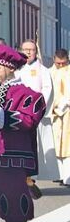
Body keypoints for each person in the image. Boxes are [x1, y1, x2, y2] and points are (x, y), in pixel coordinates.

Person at [0, 40, 45, 222]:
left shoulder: (26, 93)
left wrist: (4, 116)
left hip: (13, 152)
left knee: (13, 193)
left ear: (9, 69)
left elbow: (30, 118)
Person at [16, 39, 59, 183]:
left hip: (36, 112)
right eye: (25, 49)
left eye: (31, 49)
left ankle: (33, 176)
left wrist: (40, 106)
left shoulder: (43, 70)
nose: (28, 52)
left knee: (38, 146)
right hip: (19, 112)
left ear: (36, 52)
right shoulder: (16, 68)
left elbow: (47, 89)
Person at [49, 48, 70, 185]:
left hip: (68, 110)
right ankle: (59, 174)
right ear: (53, 60)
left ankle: (68, 176)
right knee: (56, 143)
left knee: (67, 144)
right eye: (58, 63)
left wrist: (66, 102)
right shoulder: (49, 72)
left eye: (64, 63)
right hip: (54, 111)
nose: (61, 66)